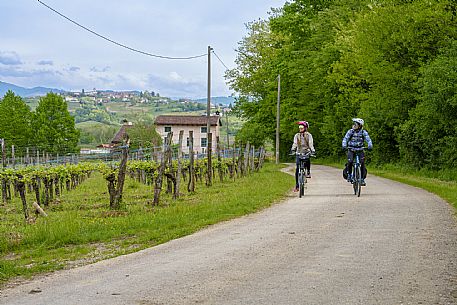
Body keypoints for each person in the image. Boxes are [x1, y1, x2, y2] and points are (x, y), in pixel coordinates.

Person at [342, 118, 373, 186]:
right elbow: (345, 138)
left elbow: (368, 139)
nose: (354, 125)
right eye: (354, 124)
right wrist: (344, 145)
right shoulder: (350, 131)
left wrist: (370, 145)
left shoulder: (363, 132)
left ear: (360, 125)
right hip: (351, 149)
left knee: (362, 163)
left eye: (355, 124)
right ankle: (349, 175)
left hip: (360, 150)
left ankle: (362, 179)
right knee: (350, 162)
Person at [291, 121, 315, 192]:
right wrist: (293, 149)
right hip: (299, 152)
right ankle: (297, 186)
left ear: (305, 128)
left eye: (301, 127)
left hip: (306, 151)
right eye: (299, 127)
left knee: (307, 160)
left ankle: (308, 171)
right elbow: (295, 143)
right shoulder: (297, 135)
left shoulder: (309, 135)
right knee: (297, 169)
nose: (300, 129)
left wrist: (312, 150)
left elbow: (311, 143)